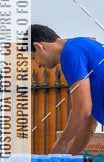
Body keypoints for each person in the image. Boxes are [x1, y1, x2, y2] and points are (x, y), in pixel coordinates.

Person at [31, 25, 104, 154]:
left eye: (33, 57)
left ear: (38, 46)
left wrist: (60, 145)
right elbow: (88, 122)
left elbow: (82, 109)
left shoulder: (69, 53)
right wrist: (69, 158)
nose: (38, 65)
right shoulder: (82, 46)